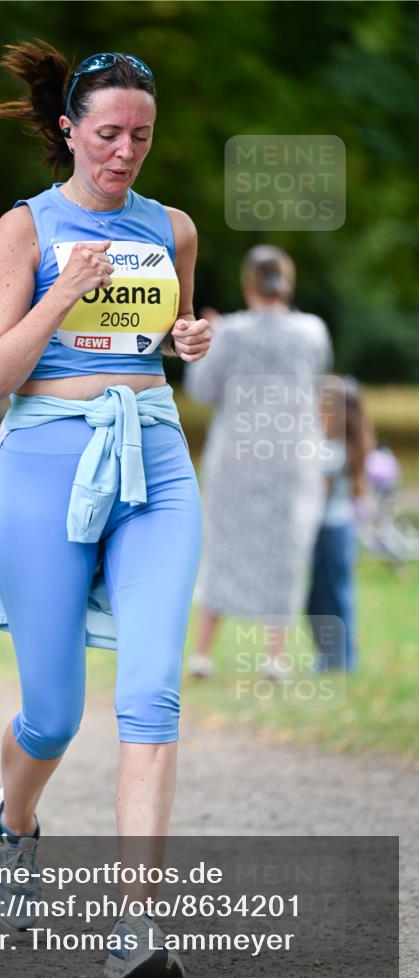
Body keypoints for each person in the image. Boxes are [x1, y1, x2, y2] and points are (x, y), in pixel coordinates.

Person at [0, 42, 210, 978]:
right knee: (53, 713)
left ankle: (136, 929)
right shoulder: (25, 229)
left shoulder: (172, 228)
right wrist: (61, 292)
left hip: (151, 456)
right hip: (43, 463)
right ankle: (13, 822)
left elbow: (171, 334)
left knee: (151, 695)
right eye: (107, 134)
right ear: (69, 130)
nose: (122, 153)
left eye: (139, 137)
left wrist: (191, 337)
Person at [184, 245, 332, 680]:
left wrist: (208, 335)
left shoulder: (231, 332)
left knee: (222, 546)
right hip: (292, 455)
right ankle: (273, 656)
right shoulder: (313, 331)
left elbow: (202, 391)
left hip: (236, 456)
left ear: (248, 283)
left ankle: (204, 653)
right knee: (286, 550)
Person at [307, 376, 372, 671]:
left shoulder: (333, 450)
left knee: (331, 596)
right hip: (333, 530)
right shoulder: (338, 444)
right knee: (323, 597)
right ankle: (332, 656)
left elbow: (319, 492)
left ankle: (342, 658)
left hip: (330, 532)